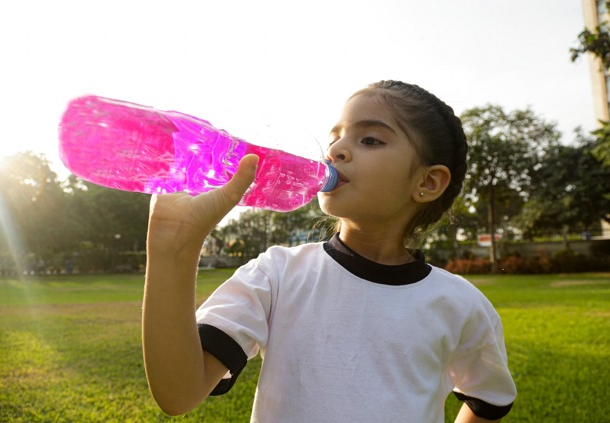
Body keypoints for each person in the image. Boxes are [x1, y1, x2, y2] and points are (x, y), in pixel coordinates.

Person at [142, 80, 517, 422]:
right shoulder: (277, 274)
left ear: (427, 182)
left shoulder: (460, 304)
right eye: (335, 137)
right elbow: (179, 393)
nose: (336, 149)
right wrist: (172, 248)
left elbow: (488, 398)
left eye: (369, 139)